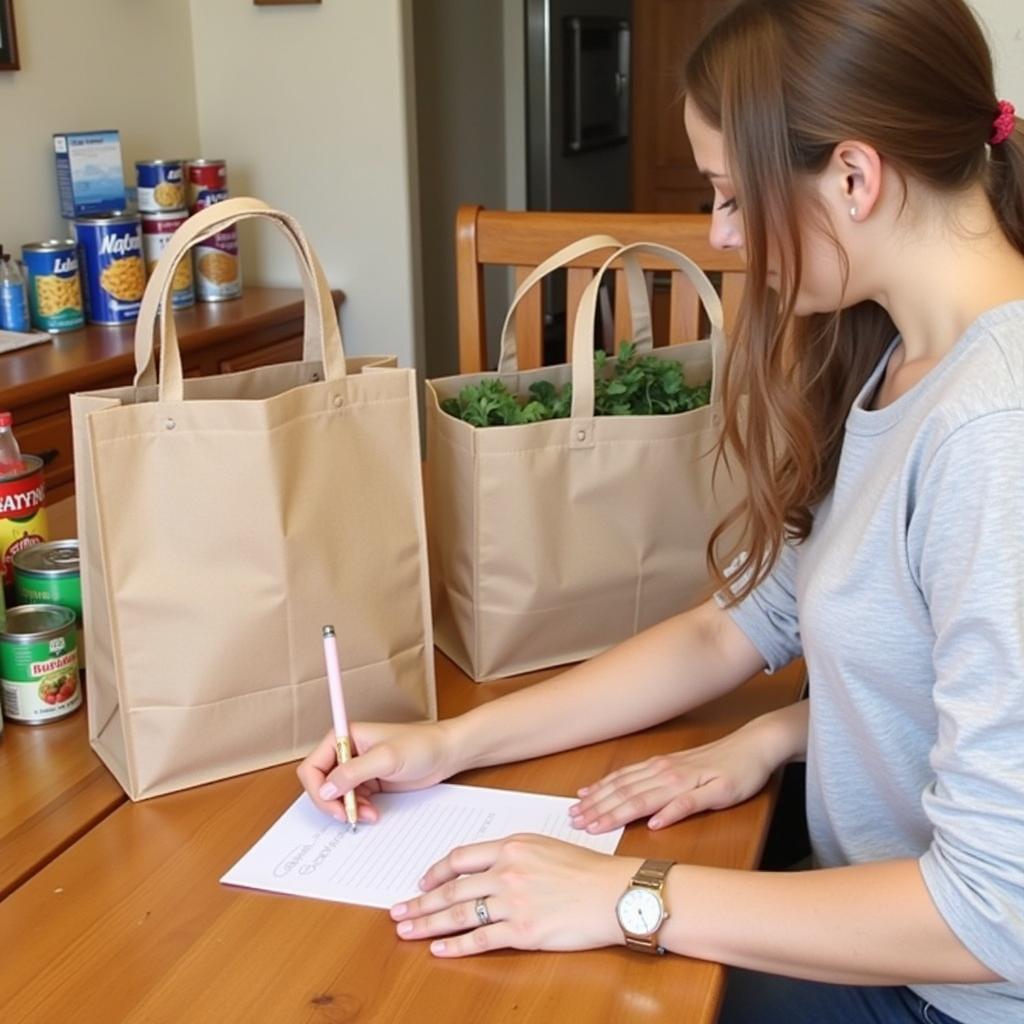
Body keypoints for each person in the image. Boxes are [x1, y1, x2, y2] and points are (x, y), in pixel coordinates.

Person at [298, 1, 1024, 1020]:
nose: (723, 235)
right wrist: (442, 747)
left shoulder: (992, 430)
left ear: (855, 178)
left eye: (732, 195)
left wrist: (629, 897)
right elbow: (734, 627)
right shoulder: (898, 360)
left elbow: (994, 912)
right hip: (857, 915)